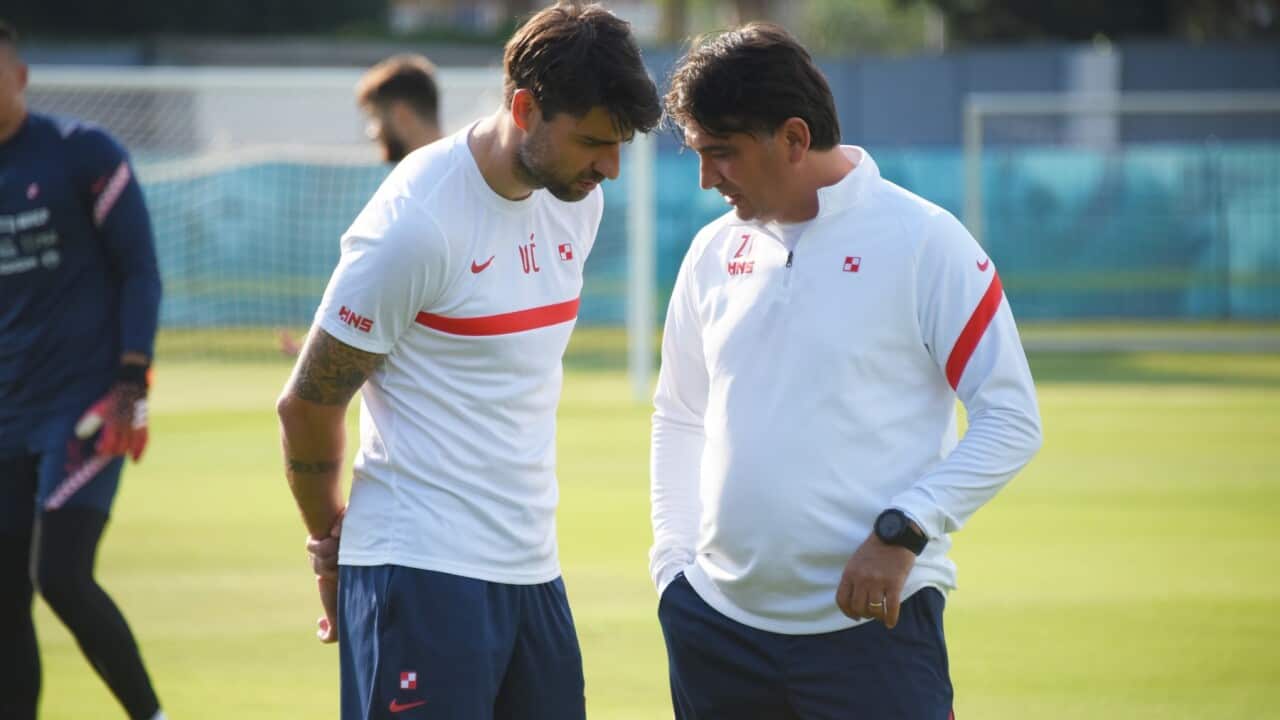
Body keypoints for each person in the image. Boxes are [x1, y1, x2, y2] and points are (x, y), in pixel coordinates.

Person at [275, 3, 660, 718]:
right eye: (594, 142)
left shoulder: (577, 198)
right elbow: (308, 402)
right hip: (417, 572)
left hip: (533, 573)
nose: (609, 166)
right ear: (524, 107)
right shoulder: (416, 226)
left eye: (620, 145)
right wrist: (329, 541)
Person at [649, 23, 1043, 719]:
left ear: (794, 139)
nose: (706, 178)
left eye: (723, 153)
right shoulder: (711, 252)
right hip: (715, 632)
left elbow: (1011, 417)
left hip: (875, 636)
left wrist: (907, 528)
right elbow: (679, 415)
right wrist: (673, 570)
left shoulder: (926, 241)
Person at [0, 20, 166, 720]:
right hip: (8, 411)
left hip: (90, 402)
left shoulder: (82, 154)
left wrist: (131, 378)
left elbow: (140, 269)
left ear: (20, 75)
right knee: (5, 595)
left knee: (61, 575)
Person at [278, 53, 444, 356]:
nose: (372, 132)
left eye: (375, 118)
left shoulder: (419, 199)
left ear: (402, 115)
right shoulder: (446, 181)